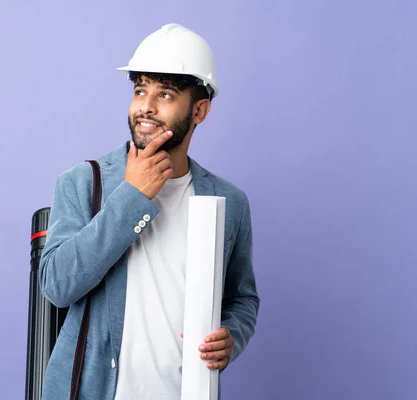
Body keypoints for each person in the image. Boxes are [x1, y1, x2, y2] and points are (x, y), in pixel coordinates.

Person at [39, 23, 259, 400]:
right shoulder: (82, 182)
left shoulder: (229, 202)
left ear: (199, 110)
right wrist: (131, 198)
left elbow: (242, 298)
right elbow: (58, 286)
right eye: (140, 89)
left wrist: (232, 335)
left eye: (166, 94)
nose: (147, 107)